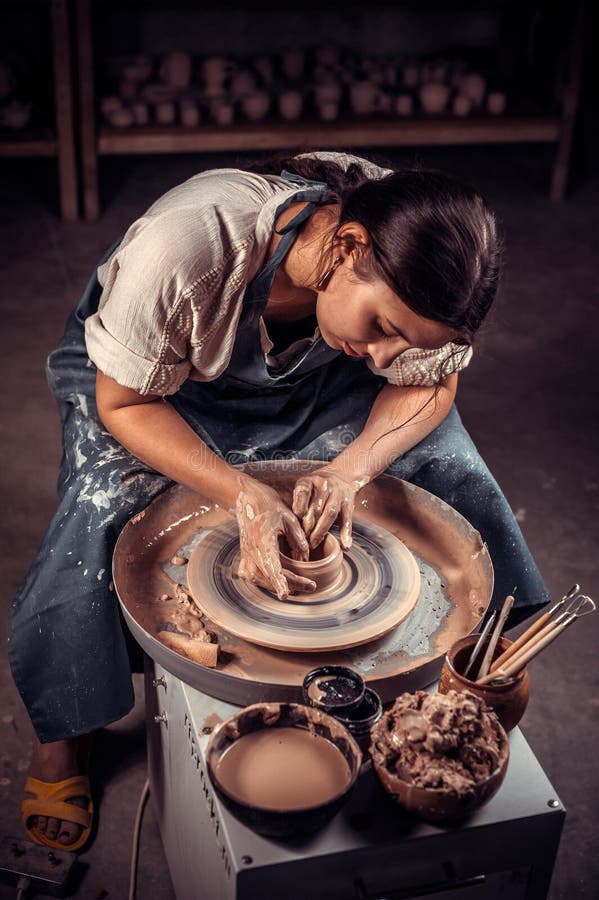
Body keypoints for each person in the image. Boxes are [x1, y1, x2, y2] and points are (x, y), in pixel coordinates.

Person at [8, 150, 548, 850]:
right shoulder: (191, 244)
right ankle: (66, 730)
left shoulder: (428, 254)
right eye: (383, 327)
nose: (387, 357)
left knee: (446, 465)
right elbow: (124, 402)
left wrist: (351, 471)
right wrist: (243, 494)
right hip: (158, 386)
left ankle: (463, 680)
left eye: (406, 342)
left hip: (312, 383)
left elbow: (428, 386)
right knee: (106, 500)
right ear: (348, 247)